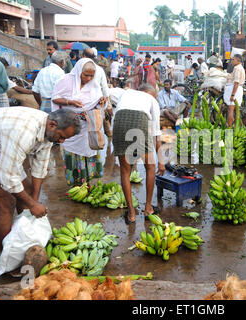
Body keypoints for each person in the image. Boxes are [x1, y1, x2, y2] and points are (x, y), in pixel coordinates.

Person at [0, 107, 80, 250]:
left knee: (28, 192)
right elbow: (9, 178)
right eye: (62, 136)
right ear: (52, 125)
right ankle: (7, 255)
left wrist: (34, 200)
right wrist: (32, 205)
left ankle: (24, 236)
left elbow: (40, 166)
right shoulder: (24, 132)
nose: (62, 141)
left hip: (2, 148)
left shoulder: (50, 129)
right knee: (6, 203)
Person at [112, 84, 165, 224]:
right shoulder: (152, 99)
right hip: (139, 121)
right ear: (152, 93)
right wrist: (161, 161)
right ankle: (148, 208)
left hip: (119, 122)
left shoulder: (126, 93)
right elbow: (156, 133)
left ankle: (131, 213)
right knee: (150, 167)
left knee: (125, 171)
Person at [51, 58, 106, 186]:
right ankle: (75, 183)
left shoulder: (94, 84)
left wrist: (100, 102)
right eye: (86, 75)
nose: (88, 78)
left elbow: (96, 103)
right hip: (69, 125)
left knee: (88, 149)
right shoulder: (65, 81)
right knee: (72, 151)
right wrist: (70, 102)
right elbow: (55, 98)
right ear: (78, 71)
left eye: (92, 76)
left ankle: (86, 182)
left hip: (87, 125)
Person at [223, 54, 245, 127]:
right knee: (233, 109)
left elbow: (236, 82)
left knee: (230, 110)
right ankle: (233, 126)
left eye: (233, 59)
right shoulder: (237, 67)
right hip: (235, 89)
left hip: (234, 90)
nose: (232, 61)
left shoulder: (238, 68)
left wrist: (232, 95)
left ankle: (229, 127)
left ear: (238, 60)